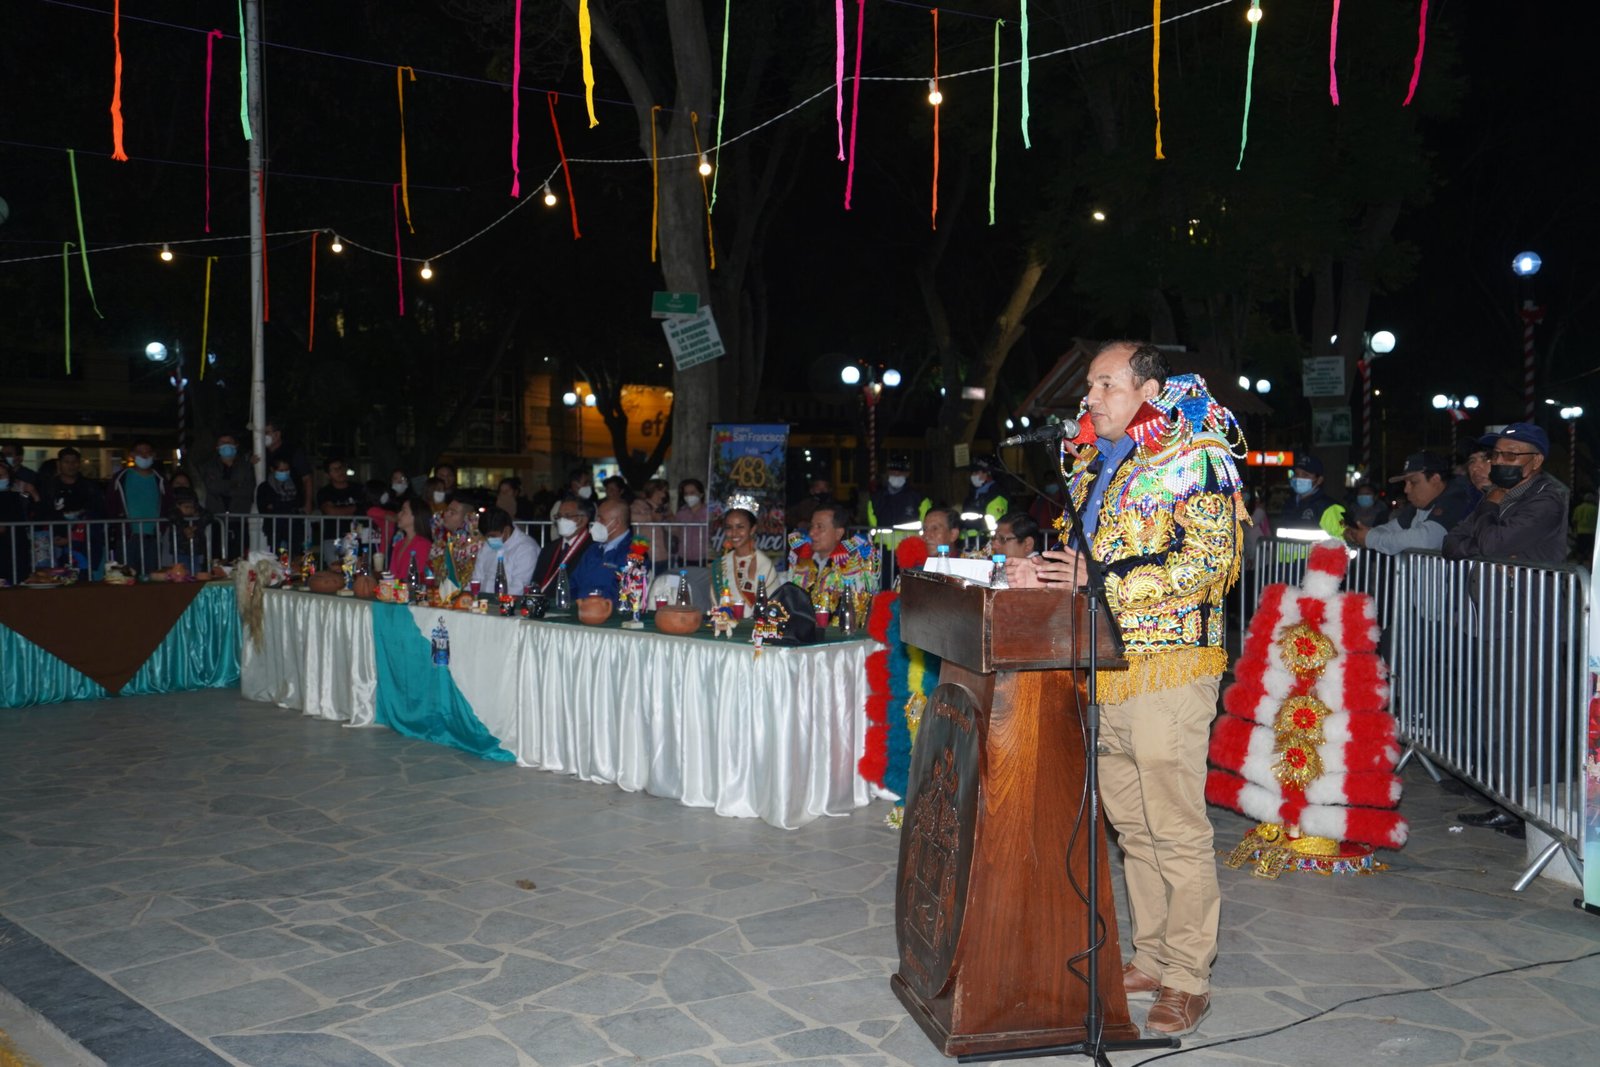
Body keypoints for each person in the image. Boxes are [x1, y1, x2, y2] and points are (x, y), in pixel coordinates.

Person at [1004, 341, 1244, 1036]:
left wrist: (1099, 582)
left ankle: (1190, 976)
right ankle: (1152, 954)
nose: (1089, 398)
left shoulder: (1195, 454)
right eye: (1088, 385)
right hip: (1103, 665)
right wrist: (1043, 573)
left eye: (1104, 384)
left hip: (1169, 663)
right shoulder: (1096, 464)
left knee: (1173, 825)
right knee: (1132, 825)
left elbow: (1210, 562)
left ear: (1148, 388)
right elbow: (1086, 556)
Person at [1443, 423, 1569, 563]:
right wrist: (1493, 551)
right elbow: (1450, 543)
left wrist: (1490, 505)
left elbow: (1490, 544)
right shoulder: (1495, 493)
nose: (1498, 461)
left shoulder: (1545, 502)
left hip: (1521, 585)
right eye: (1495, 454)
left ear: (1536, 461)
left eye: (1510, 455)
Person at [1344, 452, 1473, 555]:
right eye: (1405, 483)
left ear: (1435, 479)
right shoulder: (1419, 505)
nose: (1406, 489)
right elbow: (1392, 528)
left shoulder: (1456, 499)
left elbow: (1426, 539)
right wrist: (1362, 534)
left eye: (1414, 482)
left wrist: (1371, 538)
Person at [788, 504, 877, 604]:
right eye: (812, 526)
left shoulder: (853, 567)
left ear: (838, 533)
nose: (812, 533)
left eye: (820, 527)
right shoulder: (801, 561)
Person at [106, 440, 170, 573]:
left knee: (152, 577)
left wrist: (161, 529)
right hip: (127, 537)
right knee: (126, 576)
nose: (144, 456)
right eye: (140, 452)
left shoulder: (160, 479)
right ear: (132, 455)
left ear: (153, 455)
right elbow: (111, 504)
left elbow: (168, 504)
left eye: (148, 452)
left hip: (153, 537)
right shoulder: (120, 478)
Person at [38, 447, 103, 574]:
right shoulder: (48, 487)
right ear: (59, 464)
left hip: (83, 543)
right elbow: (42, 514)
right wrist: (51, 537)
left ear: (79, 464)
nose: (71, 466)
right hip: (53, 541)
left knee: (82, 579)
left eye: (74, 462)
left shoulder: (89, 487)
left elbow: (96, 514)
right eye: (66, 462)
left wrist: (72, 538)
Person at [198, 432, 254, 557]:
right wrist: (235, 484)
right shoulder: (208, 467)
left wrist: (224, 486)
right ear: (217, 447)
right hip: (216, 520)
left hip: (239, 520)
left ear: (236, 445)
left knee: (239, 558)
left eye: (228, 442)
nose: (225, 446)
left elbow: (247, 490)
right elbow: (212, 487)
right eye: (222, 443)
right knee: (215, 557)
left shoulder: (246, 467)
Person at [712, 504, 777, 609]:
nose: (734, 533)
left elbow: (773, 605)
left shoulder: (764, 564)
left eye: (740, 527)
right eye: (729, 527)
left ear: (752, 529)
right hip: (725, 623)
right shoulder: (720, 564)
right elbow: (716, 604)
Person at [571, 497, 634, 603]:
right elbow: (573, 583)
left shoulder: (634, 553)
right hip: (582, 609)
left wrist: (596, 605)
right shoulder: (593, 549)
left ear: (616, 523)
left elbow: (628, 593)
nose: (596, 523)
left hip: (610, 613)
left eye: (601, 519)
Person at [533, 494, 597, 594]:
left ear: (583, 520)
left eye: (567, 516)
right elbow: (536, 581)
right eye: (559, 516)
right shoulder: (549, 548)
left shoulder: (594, 549)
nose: (561, 520)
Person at [470, 506, 540, 595]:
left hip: (510, 603)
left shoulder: (526, 549)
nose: (489, 540)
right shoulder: (487, 546)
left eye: (492, 536)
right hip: (483, 602)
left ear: (506, 530)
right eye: (486, 537)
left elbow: (519, 587)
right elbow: (477, 578)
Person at [868, 454, 931, 551]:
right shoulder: (876, 499)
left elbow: (927, 526)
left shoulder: (919, 499)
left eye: (901, 472)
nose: (897, 474)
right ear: (888, 472)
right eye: (893, 471)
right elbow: (873, 526)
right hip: (882, 551)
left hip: (911, 551)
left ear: (907, 474)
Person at [1277, 455, 1345, 536]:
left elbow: (1341, 540)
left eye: (1305, 475)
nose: (1298, 478)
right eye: (1296, 474)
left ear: (1319, 480)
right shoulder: (1289, 504)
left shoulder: (1329, 508)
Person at [429, 493, 485, 589]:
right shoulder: (443, 538)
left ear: (467, 517)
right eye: (447, 510)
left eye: (452, 512)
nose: (446, 514)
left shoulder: (476, 544)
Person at [263, 421, 314, 514]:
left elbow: (307, 478)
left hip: (293, 508)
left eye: (266, 433)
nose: (263, 436)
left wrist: (308, 504)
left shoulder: (293, 451)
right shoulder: (260, 453)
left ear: (277, 434)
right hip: (271, 509)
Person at [162, 488, 219, 571]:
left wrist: (197, 526)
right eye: (186, 507)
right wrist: (185, 528)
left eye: (192, 507)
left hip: (196, 550)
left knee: (196, 570)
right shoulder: (175, 514)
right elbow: (173, 516)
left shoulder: (197, 513)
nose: (190, 509)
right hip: (180, 551)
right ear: (177, 505)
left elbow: (209, 515)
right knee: (182, 571)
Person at [257, 457, 305, 553]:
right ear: (272, 469)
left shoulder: (295, 484)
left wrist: (276, 505)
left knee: (295, 555)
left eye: (287, 470)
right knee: (276, 556)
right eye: (281, 470)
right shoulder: (265, 487)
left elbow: (300, 503)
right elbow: (263, 508)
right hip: (274, 528)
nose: (285, 473)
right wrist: (287, 505)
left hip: (294, 527)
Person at [960, 456, 1010, 540]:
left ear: (988, 473)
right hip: (967, 542)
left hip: (985, 542)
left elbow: (994, 525)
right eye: (972, 473)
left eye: (976, 472)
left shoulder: (996, 496)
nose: (973, 476)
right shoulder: (973, 495)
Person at [630, 478, 672, 573]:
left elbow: (675, 529)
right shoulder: (638, 505)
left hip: (664, 555)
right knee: (644, 585)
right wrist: (650, 517)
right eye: (662, 491)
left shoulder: (664, 508)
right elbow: (629, 517)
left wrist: (670, 516)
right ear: (654, 491)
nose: (664, 495)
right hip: (643, 554)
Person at [388, 496, 433, 581]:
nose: (399, 514)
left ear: (415, 516)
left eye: (404, 511)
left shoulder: (423, 545)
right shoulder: (399, 543)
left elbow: (419, 577)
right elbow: (392, 574)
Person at [674, 479, 709, 568]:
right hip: (683, 558)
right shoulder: (681, 513)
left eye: (692, 492)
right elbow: (677, 533)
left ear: (701, 494)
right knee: (684, 582)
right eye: (686, 494)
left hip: (704, 558)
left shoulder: (709, 513)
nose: (689, 496)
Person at [1573, 491, 1597, 564]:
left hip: (1580, 532)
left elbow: (1575, 520)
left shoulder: (1578, 508)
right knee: (1590, 549)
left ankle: (1579, 563)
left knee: (1580, 549)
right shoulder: (1595, 509)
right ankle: (1591, 564)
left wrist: (1575, 530)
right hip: (1591, 532)